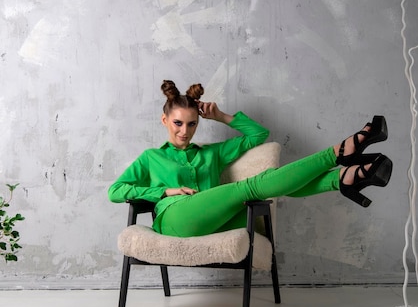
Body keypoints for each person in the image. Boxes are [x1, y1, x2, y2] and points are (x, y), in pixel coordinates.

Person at [108, 80, 393, 238]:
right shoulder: (151, 157)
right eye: (178, 123)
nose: (185, 131)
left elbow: (258, 135)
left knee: (268, 191)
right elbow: (115, 191)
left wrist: (220, 116)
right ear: (164, 120)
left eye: (192, 124)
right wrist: (165, 191)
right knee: (252, 187)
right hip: (176, 219)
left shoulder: (211, 153)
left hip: (220, 220)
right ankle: (339, 153)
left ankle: (342, 179)